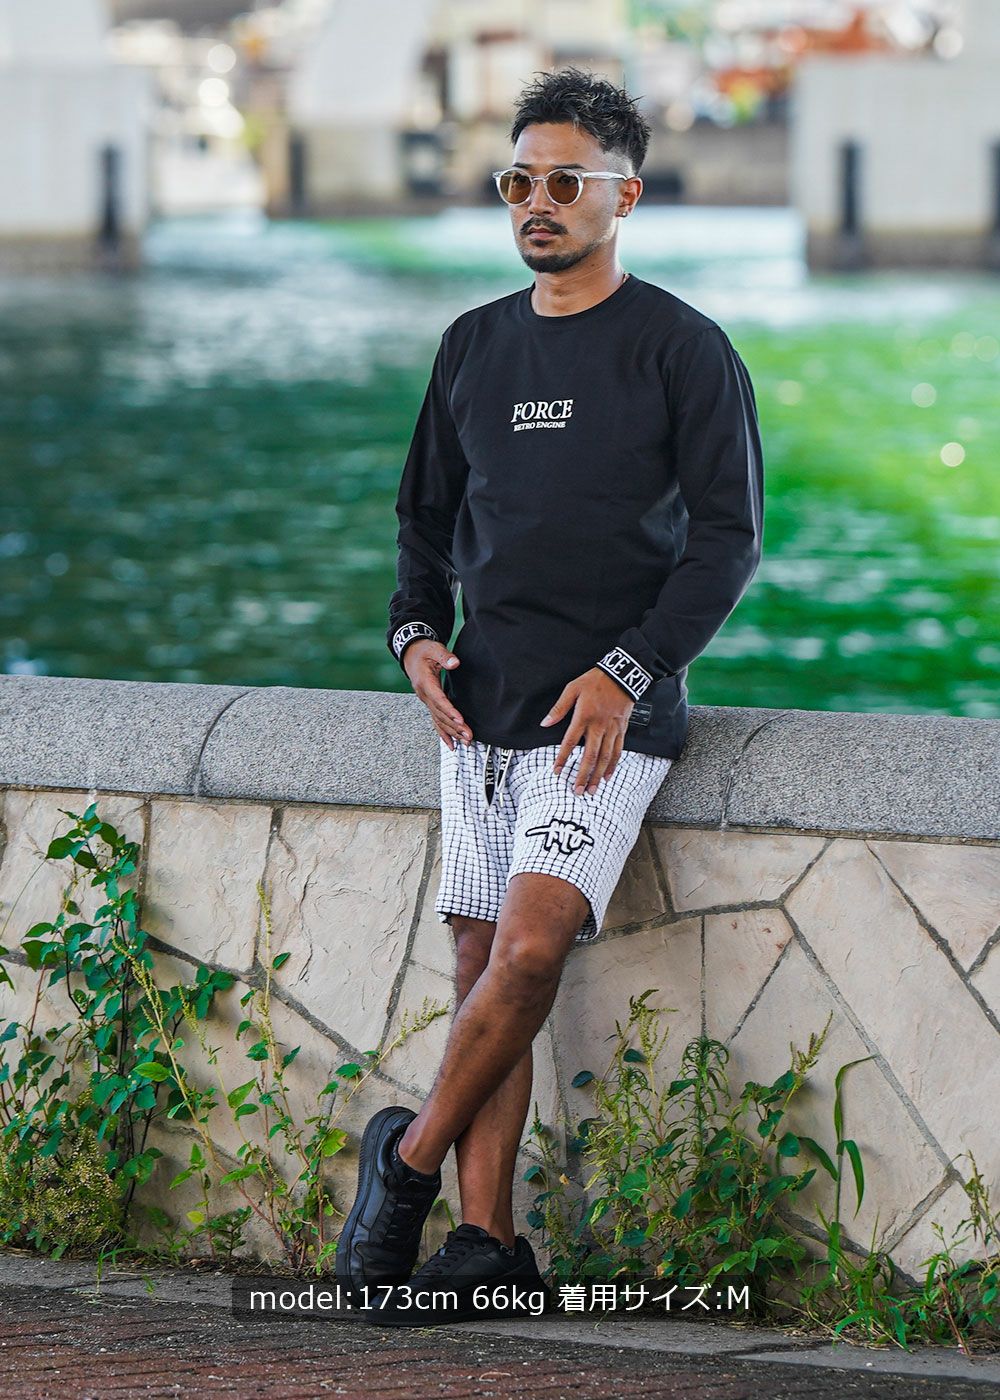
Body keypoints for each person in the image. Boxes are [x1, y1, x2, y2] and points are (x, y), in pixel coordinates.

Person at [336, 66, 765, 1326]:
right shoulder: (472, 343)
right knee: (481, 965)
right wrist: (415, 635)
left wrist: (629, 670)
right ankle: (487, 1245)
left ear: (621, 197)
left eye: (565, 180)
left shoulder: (682, 347)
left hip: (602, 721)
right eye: (517, 179)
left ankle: (405, 1162)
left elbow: (727, 541)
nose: (537, 200)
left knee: (526, 951)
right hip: (480, 711)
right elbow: (423, 519)